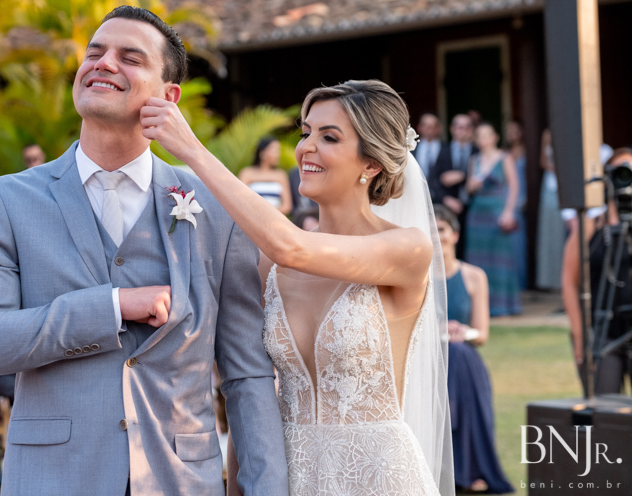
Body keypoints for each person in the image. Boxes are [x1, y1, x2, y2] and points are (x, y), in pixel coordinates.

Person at [0, 5, 287, 495]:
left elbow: (247, 375)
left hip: (180, 481)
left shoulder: (217, 207)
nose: (104, 63)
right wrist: (110, 307)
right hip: (53, 480)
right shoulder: (6, 200)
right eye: (95, 53)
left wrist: (267, 490)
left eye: (130, 57)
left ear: (169, 97)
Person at [143, 79, 453, 495]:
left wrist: (193, 151)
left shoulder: (407, 249)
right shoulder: (268, 266)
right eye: (306, 132)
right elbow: (250, 388)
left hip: (380, 477)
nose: (306, 147)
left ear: (371, 164)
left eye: (329, 137)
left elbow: (292, 246)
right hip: (291, 474)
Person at [435, 205, 514, 494]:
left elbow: (481, 334)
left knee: (460, 354)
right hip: (430, 358)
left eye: (441, 230)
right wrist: (439, 331)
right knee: (454, 355)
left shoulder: (474, 275)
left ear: (455, 234)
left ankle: (469, 468)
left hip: (463, 356)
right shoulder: (418, 277)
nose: (436, 237)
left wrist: (460, 332)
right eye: (430, 231)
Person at [563, 148, 632, 395]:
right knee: (604, 408)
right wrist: (579, 334)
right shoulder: (590, 225)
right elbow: (569, 280)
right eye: (620, 172)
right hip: (603, 332)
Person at [465, 123, 521, 317]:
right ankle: (480, 307)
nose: (483, 139)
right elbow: (468, 189)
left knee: (500, 260)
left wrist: (509, 211)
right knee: (479, 260)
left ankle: (502, 305)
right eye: (479, 135)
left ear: (494, 137)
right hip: (477, 213)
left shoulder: (505, 158)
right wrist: (473, 184)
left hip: (497, 210)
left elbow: (514, 186)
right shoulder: (474, 160)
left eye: (486, 135)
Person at [432, 114, 477, 258]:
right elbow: (433, 180)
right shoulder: (443, 150)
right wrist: (447, 200)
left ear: (471, 130)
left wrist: (462, 175)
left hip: (473, 206)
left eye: (466, 127)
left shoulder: (477, 151)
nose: (462, 130)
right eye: (458, 126)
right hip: (447, 207)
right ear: (452, 129)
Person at [535, 129, 564, 290]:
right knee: (549, 234)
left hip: (566, 186)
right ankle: (549, 280)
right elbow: (543, 161)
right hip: (551, 186)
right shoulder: (548, 133)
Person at [238, 137, 293, 214]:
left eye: (278, 151)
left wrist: (268, 213)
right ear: (262, 153)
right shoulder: (246, 173)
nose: (277, 155)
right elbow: (240, 200)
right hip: (251, 215)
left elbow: (287, 206)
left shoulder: (281, 175)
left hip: (275, 217)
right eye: (274, 151)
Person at [504, 120, 528, 289]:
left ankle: (521, 282)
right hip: (506, 199)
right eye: (509, 131)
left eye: (515, 130)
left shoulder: (527, 151)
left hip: (522, 197)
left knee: (519, 244)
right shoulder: (503, 153)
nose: (512, 134)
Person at [413, 112, 442, 179]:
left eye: (433, 126)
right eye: (425, 125)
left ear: (439, 128)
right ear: (419, 127)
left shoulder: (447, 149)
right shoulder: (410, 149)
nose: (429, 129)